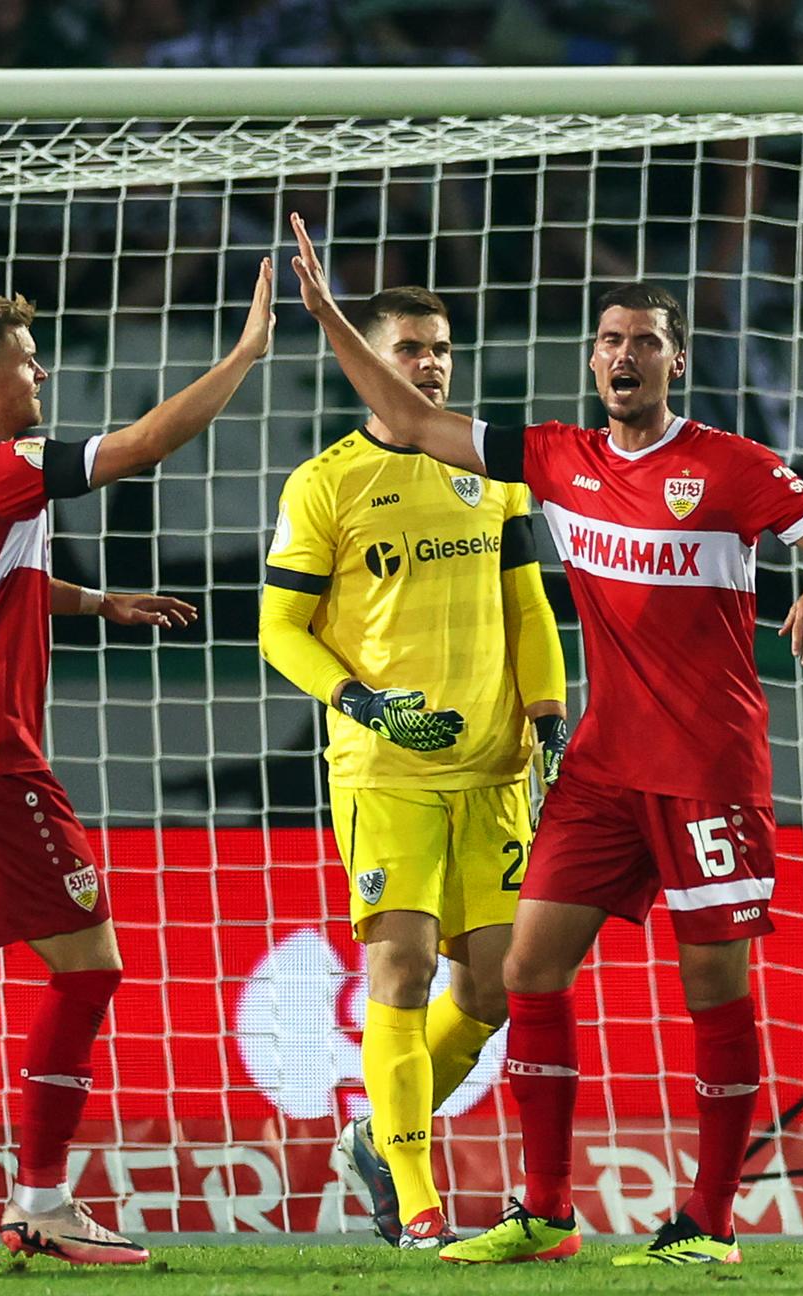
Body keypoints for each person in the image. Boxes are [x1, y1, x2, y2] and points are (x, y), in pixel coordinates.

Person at [288, 211, 803, 1266]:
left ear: (674, 360)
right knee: (528, 970)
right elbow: (414, 423)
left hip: (707, 773)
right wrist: (331, 317)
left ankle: (707, 1220)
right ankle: (547, 1211)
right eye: (609, 341)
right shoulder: (554, 462)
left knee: (714, 991)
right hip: (603, 770)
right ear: (592, 360)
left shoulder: (731, 465)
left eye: (644, 341)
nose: (624, 356)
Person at [0, 264, 274, 1269]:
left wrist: (97, 605)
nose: (43, 376)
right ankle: (41, 1201)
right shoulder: (5, 465)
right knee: (92, 970)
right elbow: (142, 445)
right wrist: (244, 354)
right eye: (31, 363)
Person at [258, 285, 568, 1249]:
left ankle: (374, 1136)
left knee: (495, 989)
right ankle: (417, 1193)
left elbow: (528, 606)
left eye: (438, 350)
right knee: (400, 963)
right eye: (407, 351)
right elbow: (278, 627)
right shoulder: (325, 483)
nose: (428, 365)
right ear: (369, 363)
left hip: (494, 770)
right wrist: (357, 701)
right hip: (383, 769)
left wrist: (551, 714)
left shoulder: (493, 472)